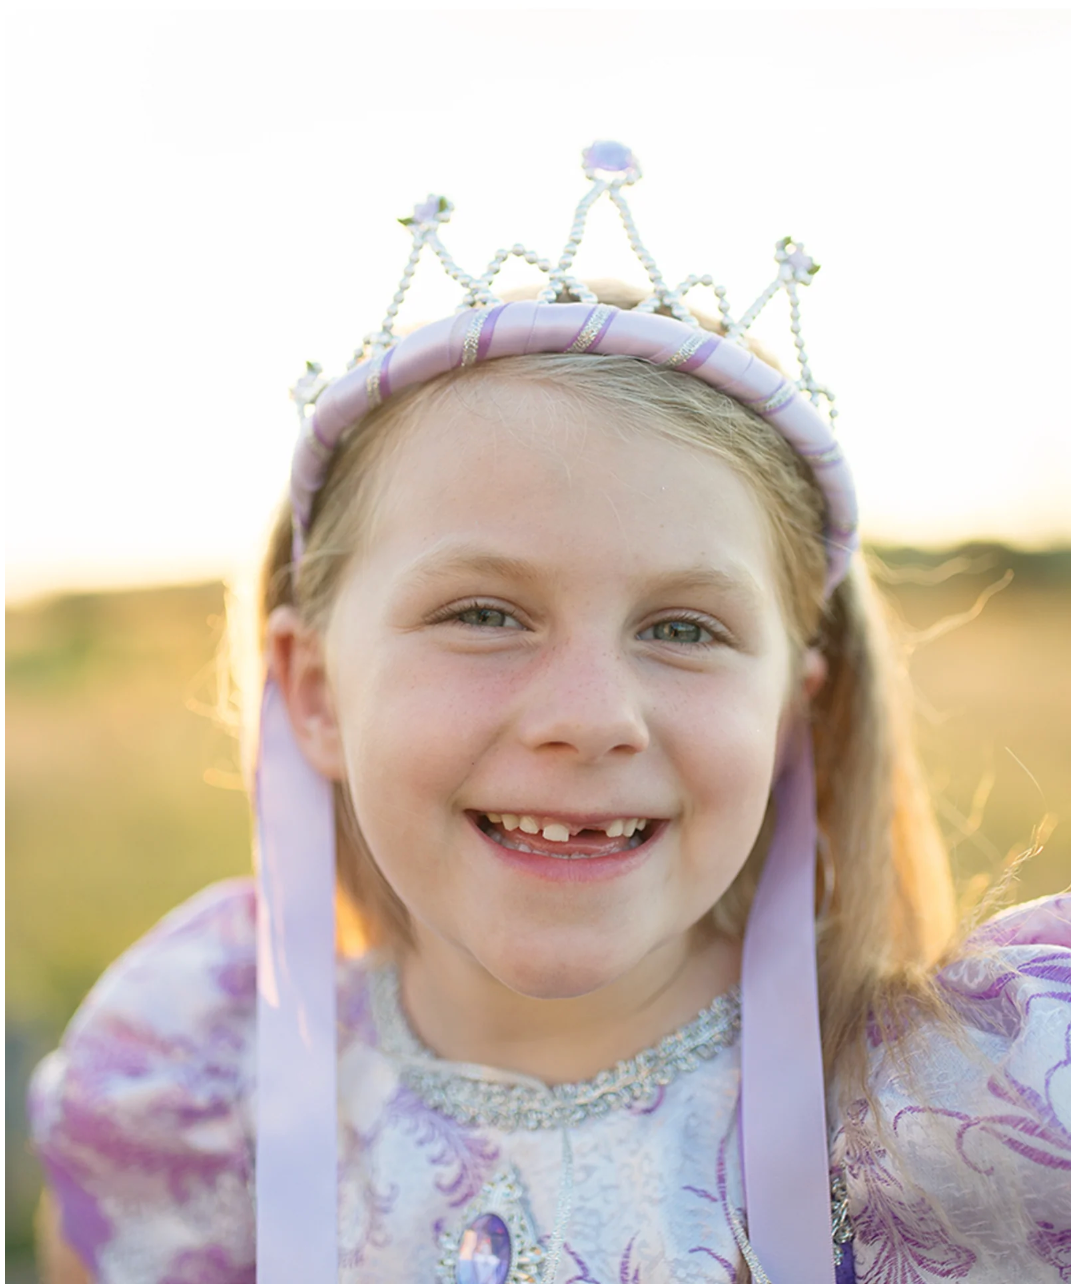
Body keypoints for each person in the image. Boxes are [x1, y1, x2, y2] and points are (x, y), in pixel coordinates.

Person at [28, 143, 1070, 1284]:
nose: (589, 718)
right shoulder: (202, 1084)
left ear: (791, 714)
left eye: (682, 628)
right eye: (483, 613)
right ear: (314, 690)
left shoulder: (982, 1118)